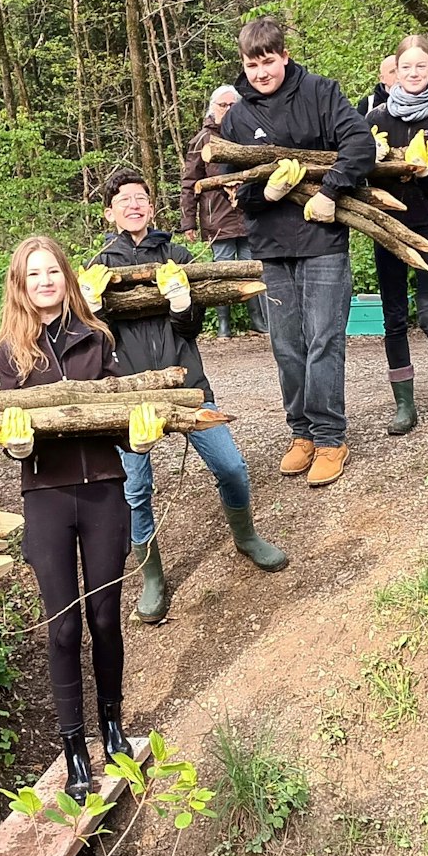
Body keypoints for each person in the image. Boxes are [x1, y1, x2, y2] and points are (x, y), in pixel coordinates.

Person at [81, 168, 288, 625]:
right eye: (125, 199)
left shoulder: (177, 254)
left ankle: (247, 536)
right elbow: (95, 343)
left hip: (188, 383)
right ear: (110, 212)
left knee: (231, 465)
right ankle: (151, 573)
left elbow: (191, 327)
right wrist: (92, 311)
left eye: (141, 198)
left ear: (151, 207)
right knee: (135, 487)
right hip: (130, 395)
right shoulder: (99, 266)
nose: (134, 205)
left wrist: (182, 303)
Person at [0, 234, 156, 799]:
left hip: (105, 491)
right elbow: (11, 430)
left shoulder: (98, 339)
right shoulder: (12, 353)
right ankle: (73, 746)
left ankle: (112, 725)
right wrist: (14, 447)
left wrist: (137, 435)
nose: (44, 282)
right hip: (47, 496)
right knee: (63, 625)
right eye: (33, 274)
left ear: (67, 278)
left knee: (105, 617)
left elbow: (119, 416)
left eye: (52, 272)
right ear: (20, 285)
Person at [220, 17, 377, 487]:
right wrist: (262, 196)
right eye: (252, 65)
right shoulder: (237, 117)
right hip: (272, 247)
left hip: (323, 242)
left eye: (268, 62)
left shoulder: (321, 93)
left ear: (284, 56)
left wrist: (331, 190)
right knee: (287, 345)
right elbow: (231, 184)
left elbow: (359, 143)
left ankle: (330, 438)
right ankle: (301, 433)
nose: (261, 73)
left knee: (323, 339)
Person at [366, 34, 428, 437]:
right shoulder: (375, 119)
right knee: (393, 316)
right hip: (387, 223)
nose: (412, 73)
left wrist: (427, 171)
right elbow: (361, 173)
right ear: (395, 71)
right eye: (405, 66)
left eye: (420, 66)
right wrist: (372, 163)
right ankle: (404, 405)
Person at [178, 86, 265, 338]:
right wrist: (188, 222)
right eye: (222, 105)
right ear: (212, 107)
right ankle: (224, 326)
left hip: (249, 214)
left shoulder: (246, 132)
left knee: (252, 267)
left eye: (232, 105)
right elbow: (188, 183)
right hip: (217, 217)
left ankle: (258, 321)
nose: (227, 110)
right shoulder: (201, 140)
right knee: (221, 271)